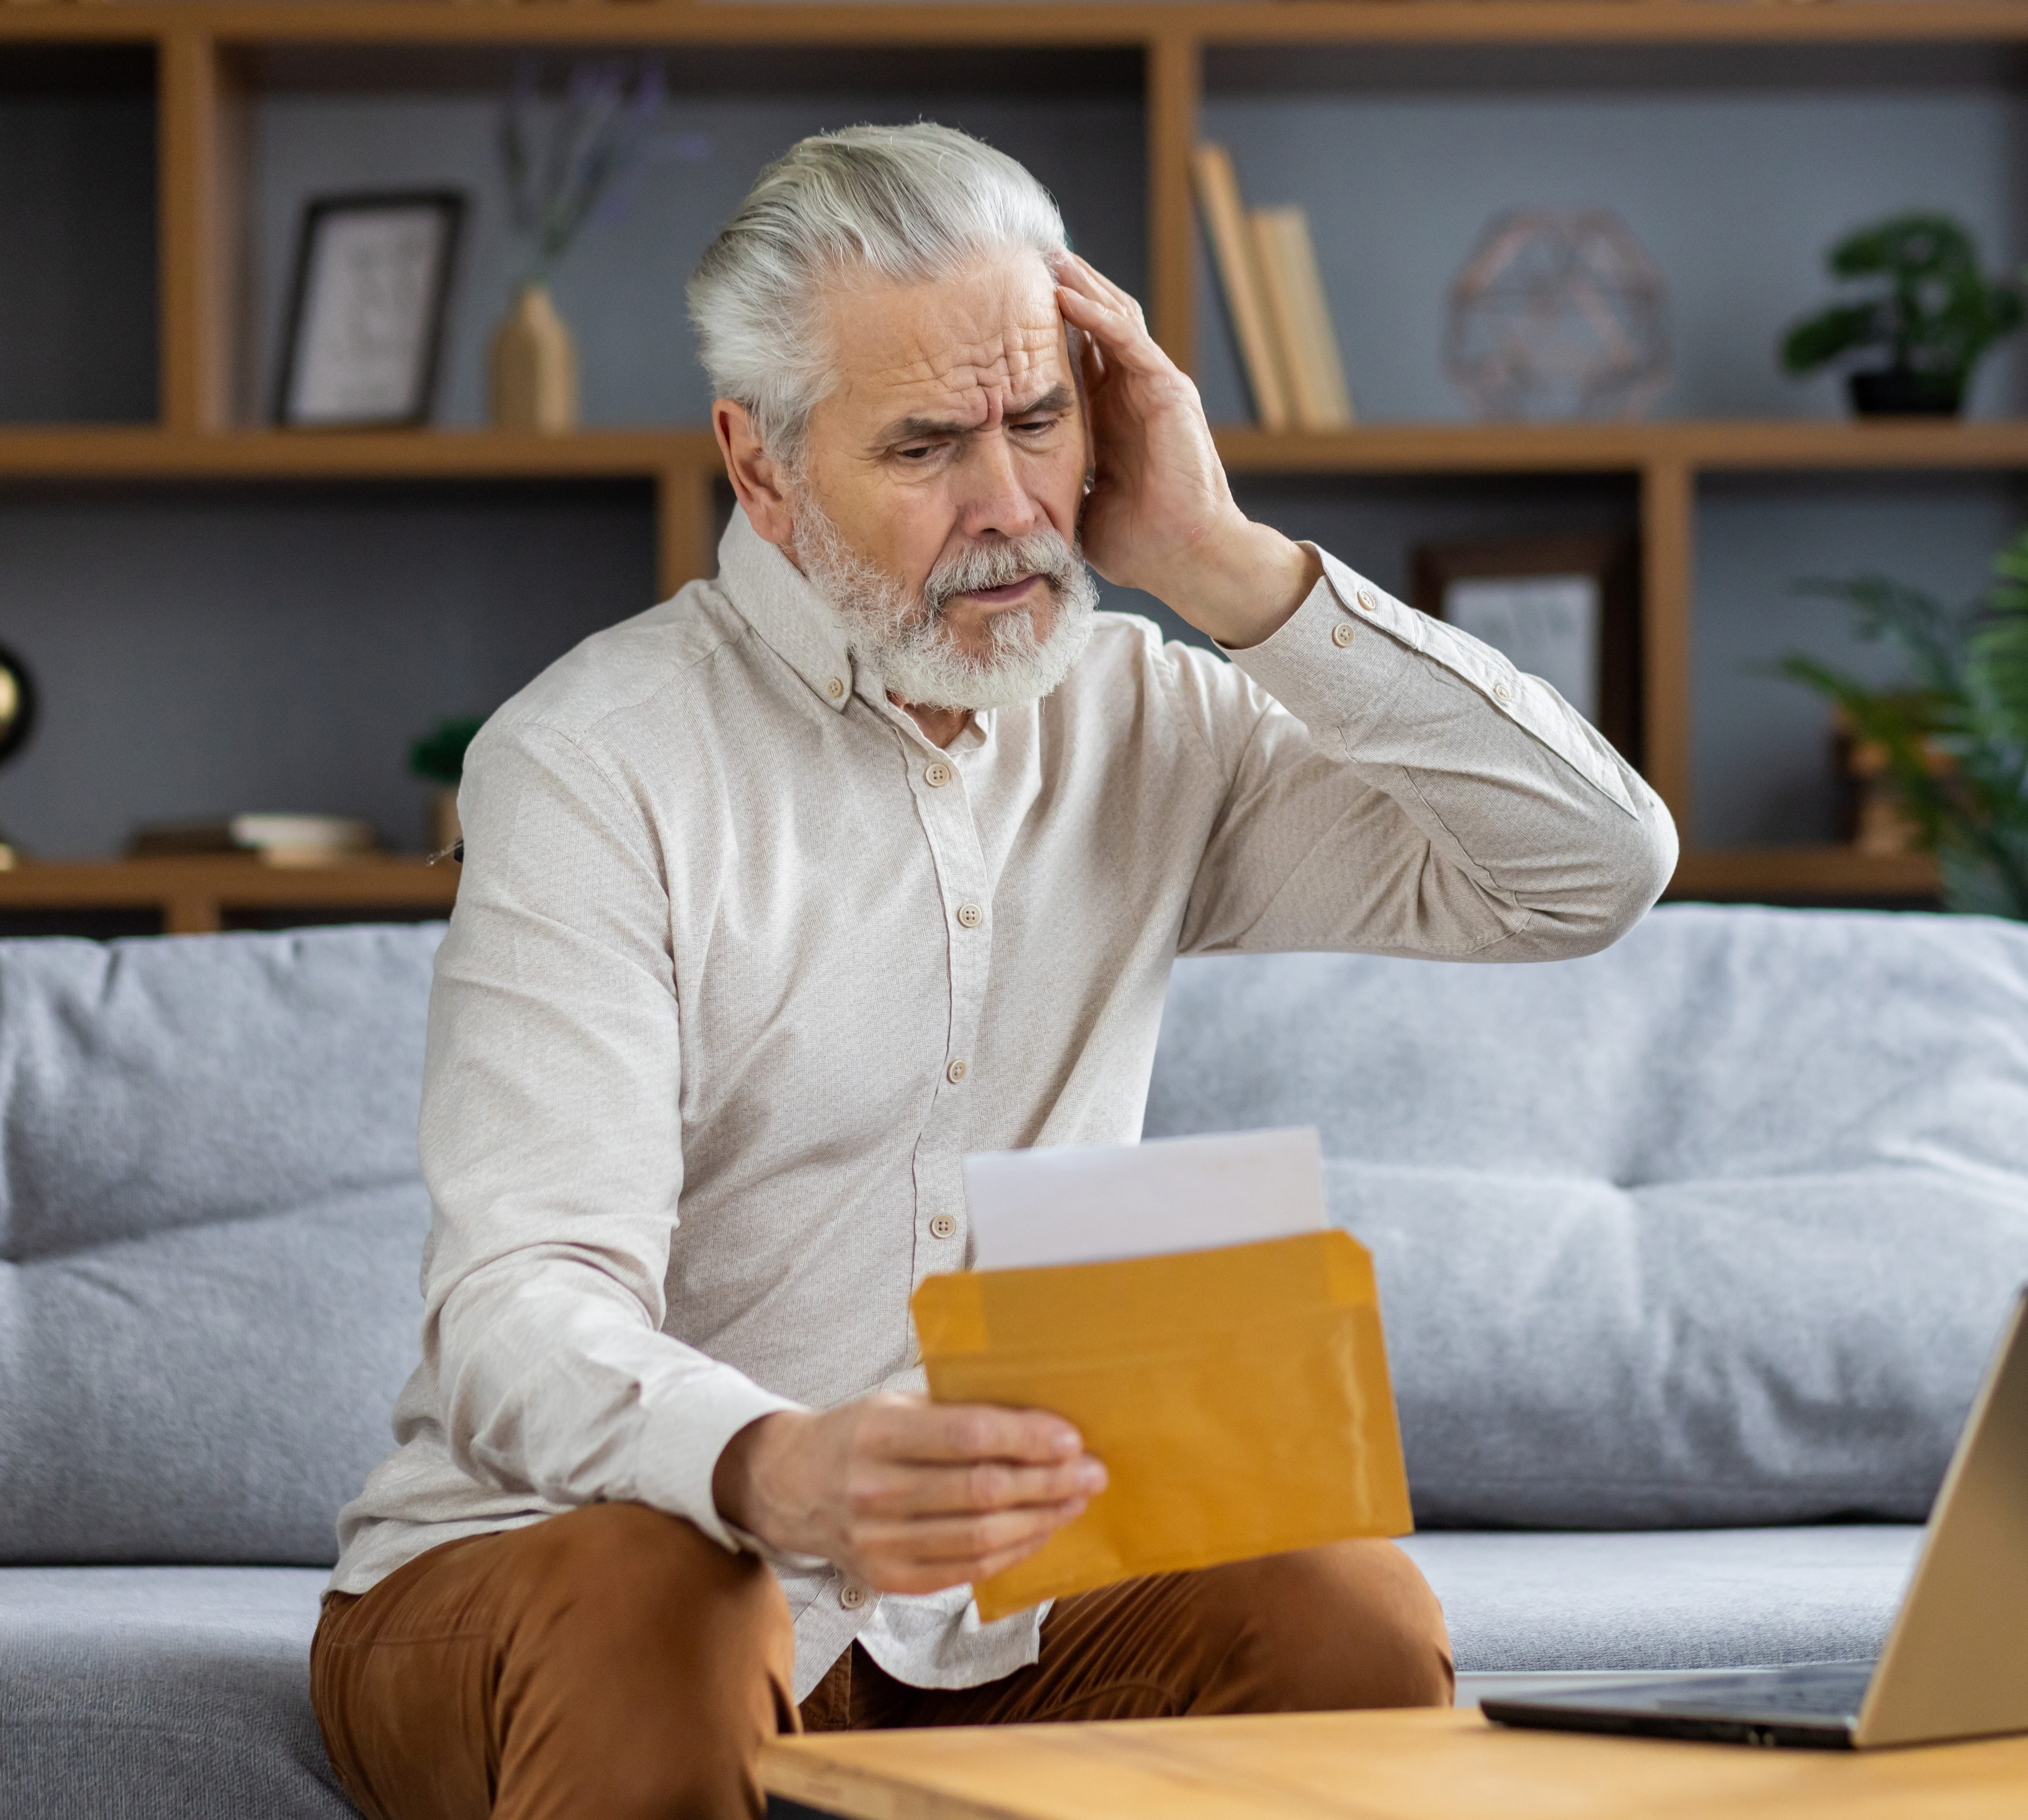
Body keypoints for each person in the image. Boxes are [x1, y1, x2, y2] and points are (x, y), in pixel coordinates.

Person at [308, 122, 1678, 1820]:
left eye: (1037, 420)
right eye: (923, 447)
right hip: (562, 1568)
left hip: (985, 1607)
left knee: (1344, 1613)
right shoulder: (593, 762)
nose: (1011, 508)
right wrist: (769, 1466)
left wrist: (1219, 560)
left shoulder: (1148, 718)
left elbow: (1589, 870)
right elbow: (516, 1306)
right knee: (681, 1595)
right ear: (760, 465)